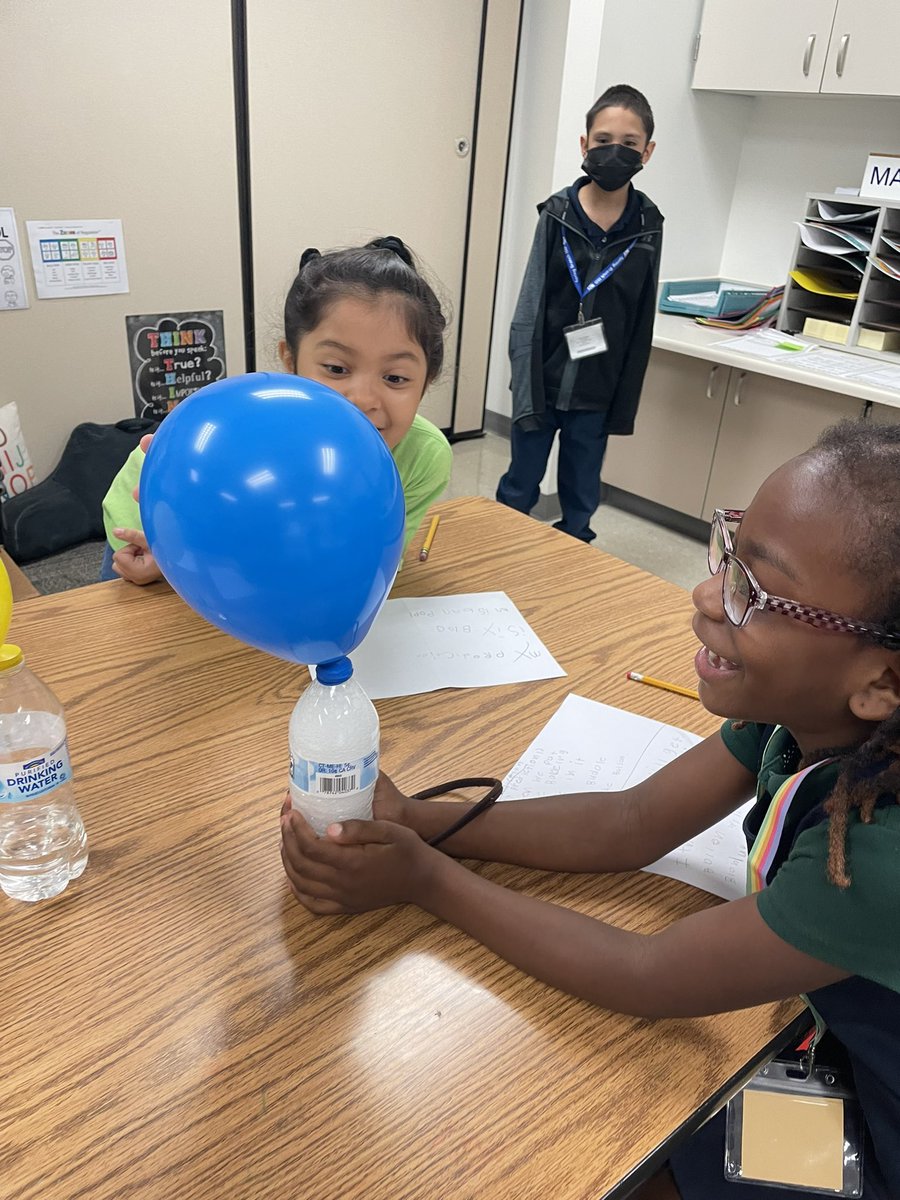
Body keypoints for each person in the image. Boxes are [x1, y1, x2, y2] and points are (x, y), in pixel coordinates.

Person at [282, 419, 900, 1198]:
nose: (709, 594)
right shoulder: (806, 718)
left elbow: (647, 973)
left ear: (883, 683)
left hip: (879, 1125)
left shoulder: (877, 854)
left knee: (618, 1164)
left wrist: (426, 882)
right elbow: (631, 822)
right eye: (729, 555)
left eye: (760, 594)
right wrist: (421, 823)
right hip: (829, 1031)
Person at [101, 236, 452, 583]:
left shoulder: (423, 457)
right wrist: (169, 557)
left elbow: (376, 563)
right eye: (336, 369)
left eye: (394, 377)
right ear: (290, 360)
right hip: (151, 545)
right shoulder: (241, 431)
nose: (361, 400)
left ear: (426, 381)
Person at [496, 83, 663, 543]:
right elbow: (529, 305)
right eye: (604, 140)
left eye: (629, 144)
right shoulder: (556, 214)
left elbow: (641, 319)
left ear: (647, 152)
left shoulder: (649, 226)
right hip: (542, 377)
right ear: (584, 144)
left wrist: (624, 400)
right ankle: (499, 547)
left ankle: (571, 557)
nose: (615, 151)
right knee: (521, 479)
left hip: (597, 385)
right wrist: (524, 382)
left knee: (582, 486)